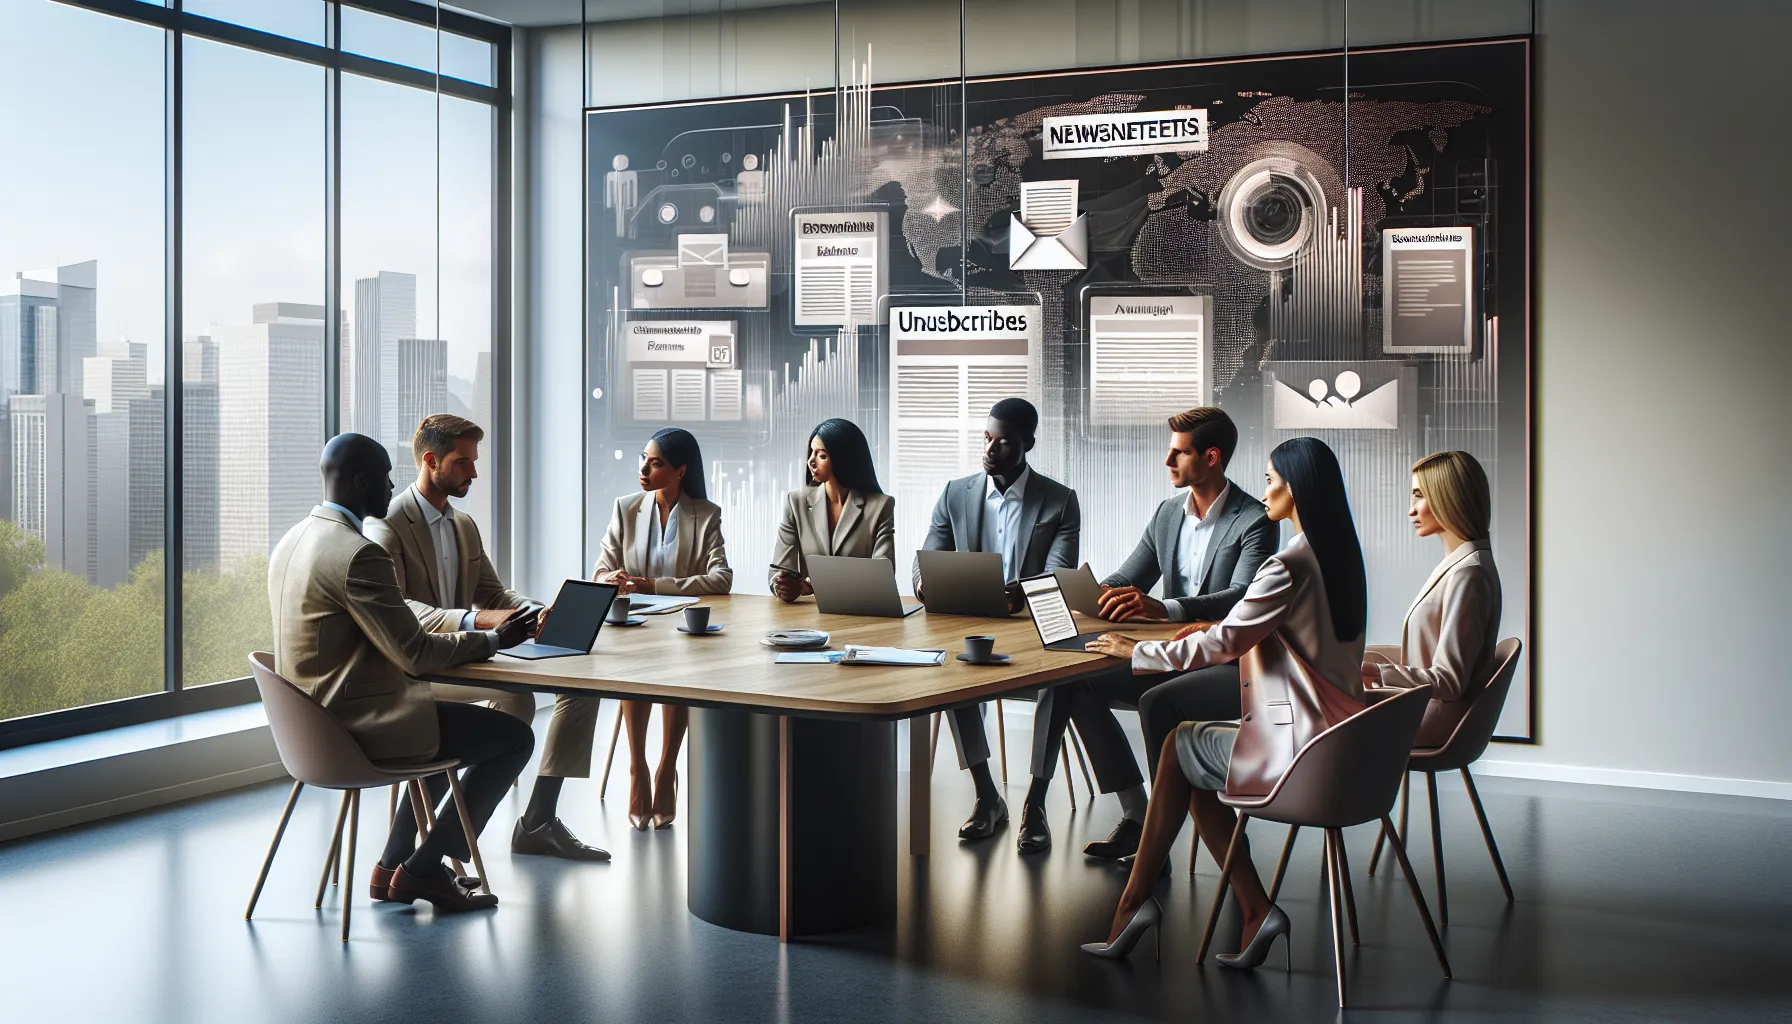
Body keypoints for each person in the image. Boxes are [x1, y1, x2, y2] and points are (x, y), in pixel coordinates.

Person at [1078, 436, 1367, 967]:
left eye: (1272, 480)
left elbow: (1225, 641)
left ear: (1295, 490)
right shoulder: (1341, 561)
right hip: (1341, 741)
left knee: (1176, 749)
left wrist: (1140, 648)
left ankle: (1137, 903)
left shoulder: (1289, 567)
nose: (1266, 490)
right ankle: (1247, 908)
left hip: (1296, 746)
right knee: (1181, 751)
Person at [269, 433, 537, 913]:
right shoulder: (358, 553)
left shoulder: (294, 539)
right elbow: (413, 653)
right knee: (514, 739)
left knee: (447, 731)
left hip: (310, 729)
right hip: (361, 730)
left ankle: (390, 865)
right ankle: (424, 869)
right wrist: (496, 640)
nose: (393, 486)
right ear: (361, 482)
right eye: (387, 478)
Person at [1016, 407, 1277, 856]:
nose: (1167, 462)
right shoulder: (1167, 513)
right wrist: (1088, 592)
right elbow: (1128, 576)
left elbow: (1239, 600)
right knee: (1072, 680)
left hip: (1225, 663)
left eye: (1179, 453)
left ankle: (1166, 830)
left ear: (1211, 457)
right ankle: (1131, 813)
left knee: (1158, 701)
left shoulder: (1254, 520)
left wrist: (1164, 608)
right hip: (1169, 656)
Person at [366, 414, 610, 862]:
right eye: (463, 463)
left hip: (468, 658)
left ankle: (539, 815)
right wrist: (475, 621)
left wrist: (536, 611)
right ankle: (416, 854)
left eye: (475, 462)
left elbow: (494, 593)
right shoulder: (386, 527)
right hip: (418, 667)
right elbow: (401, 610)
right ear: (430, 460)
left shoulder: (463, 526)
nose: (474, 474)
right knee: (509, 714)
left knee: (575, 688)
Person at [912, 398, 1081, 842]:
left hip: (1031, 628)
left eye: (1003, 442)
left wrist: (1021, 593)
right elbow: (926, 556)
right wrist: (925, 584)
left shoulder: (1060, 501)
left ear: (1028, 443)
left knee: (1061, 680)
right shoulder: (955, 493)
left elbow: (1059, 576)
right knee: (953, 673)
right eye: (987, 438)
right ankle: (988, 795)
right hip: (972, 624)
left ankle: (1036, 802)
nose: (990, 450)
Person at [589, 427, 733, 831]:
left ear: (680, 470)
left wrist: (653, 585)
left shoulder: (705, 514)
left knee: (680, 666)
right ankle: (637, 768)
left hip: (681, 629)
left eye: (656, 463)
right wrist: (611, 577)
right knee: (636, 665)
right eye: (644, 460)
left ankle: (666, 768)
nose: (645, 469)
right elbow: (600, 568)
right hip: (635, 625)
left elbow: (721, 578)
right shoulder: (626, 508)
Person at [1363, 451, 1501, 748]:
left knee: (1321, 718)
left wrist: (1375, 671)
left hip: (1432, 721)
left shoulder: (1469, 574)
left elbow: (1449, 681)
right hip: (1423, 710)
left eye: (1419, 496)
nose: (1411, 511)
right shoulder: (1462, 564)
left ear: (1448, 497)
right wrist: (1366, 658)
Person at [769, 418, 894, 600]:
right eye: (811, 453)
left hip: (860, 610)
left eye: (822, 455)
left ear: (844, 459)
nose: (811, 461)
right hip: (809, 617)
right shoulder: (796, 502)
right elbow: (777, 569)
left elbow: (883, 574)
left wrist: (812, 583)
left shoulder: (880, 505)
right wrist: (782, 586)